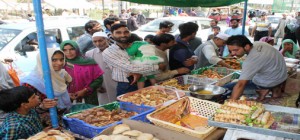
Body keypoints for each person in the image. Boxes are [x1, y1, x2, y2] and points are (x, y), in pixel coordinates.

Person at [102, 24, 166, 96]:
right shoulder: (109, 52)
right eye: (118, 32)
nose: (123, 35)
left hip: (146, 80)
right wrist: (157, 67)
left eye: (126, 32)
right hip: (128, 85)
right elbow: (131, 68)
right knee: (128, 106)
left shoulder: (135, 46)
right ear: (112, 35)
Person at [224, 35, 287, 100]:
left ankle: (263, 89)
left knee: (226, 89)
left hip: (268, 82)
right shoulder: (257, 43)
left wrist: (230, 102)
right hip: (281, 77)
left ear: (247, 46)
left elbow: (241, 85)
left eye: (236, 50)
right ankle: (273, 88)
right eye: (230, 51)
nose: (233, 53)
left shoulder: (251, 60)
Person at [21, 48, 72, 126]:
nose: (60, 63)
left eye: (62, 59)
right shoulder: (31, 83)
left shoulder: (60, 74)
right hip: (44, 125)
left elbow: (62, 92)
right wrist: (43, 106)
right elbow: (26, 108)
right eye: (54, 60)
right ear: (43, 61)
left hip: (63, 117)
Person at [60, 40, 104, 105]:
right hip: (68, 99)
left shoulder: (88, 62)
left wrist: (85, 90)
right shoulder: (60, 64)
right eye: (65, 50)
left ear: (77, 49)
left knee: (90, 114)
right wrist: (66, 94)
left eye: (72, 49)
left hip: (89, 98)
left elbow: (99, 79)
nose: (68, 52)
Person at [86, 32, 117, 104]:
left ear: (107, 40)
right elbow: (88, 72)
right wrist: (96, 86)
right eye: (95, 41)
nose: (98, 44)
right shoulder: (89, 54)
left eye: (100, 40)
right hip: (101, 85)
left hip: (116, 83)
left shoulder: (116, 51)